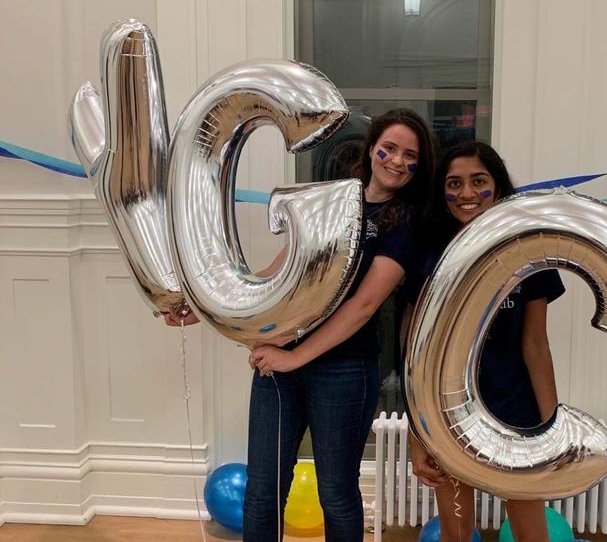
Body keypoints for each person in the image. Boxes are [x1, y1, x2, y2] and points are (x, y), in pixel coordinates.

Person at [165, 108, 436, 541]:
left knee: (336, 494)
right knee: (262, 490)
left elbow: (363, 306)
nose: (397, 161)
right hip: (281, 362)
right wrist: (207, 308)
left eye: (410, 156)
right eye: (389, 149)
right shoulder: (331, 201)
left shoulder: (405, 223)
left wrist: (294, 357)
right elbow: (281, 273)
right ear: (371, 151)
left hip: (343, 371)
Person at [407, 141, 565, 542]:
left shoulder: (528, 249)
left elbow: (536, 345)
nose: (465, 193)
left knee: (532, 532)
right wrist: (417, 435)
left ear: (497, 187)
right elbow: (416, 356)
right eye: (454, 183)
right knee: (457, 534)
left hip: (517, 411)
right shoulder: (431, 255)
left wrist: (553, 430)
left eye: (478, 181)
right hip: (448, 416)